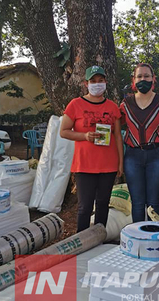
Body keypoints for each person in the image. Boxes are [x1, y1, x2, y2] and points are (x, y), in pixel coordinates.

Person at [60, 65, 123, 233]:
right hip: (84, 164)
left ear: (105, 82)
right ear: (86, 83)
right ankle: (82, 242)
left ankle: (99, 238)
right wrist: (84, 136)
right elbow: (63, 131)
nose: (97, 84)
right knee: (85, 207)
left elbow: (117, 136)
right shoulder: (75, 104)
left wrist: (120, 163)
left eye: (100, 81)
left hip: (108, 164)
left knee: (103, 205)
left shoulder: (112, 107)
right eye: (93, 81)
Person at [120, 63, 159, 222]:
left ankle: (153, 241)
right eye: (139, 76)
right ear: (134, 80)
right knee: (137, 203)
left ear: (153, 79)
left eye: (147, 76)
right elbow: (114, 128)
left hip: (157, 155)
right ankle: (138, 242)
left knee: (153, 204)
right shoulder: (125, 104)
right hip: (132, 156)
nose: (143, 79)